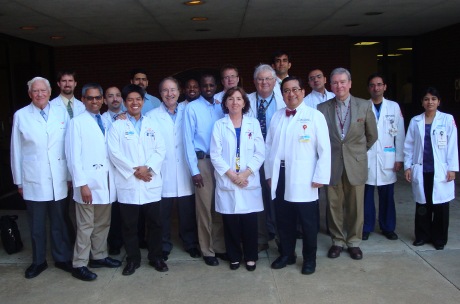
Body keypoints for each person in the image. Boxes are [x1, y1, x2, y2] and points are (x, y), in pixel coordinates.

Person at [265, 76, 331, 275]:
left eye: (295, 89)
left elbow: (325, 149)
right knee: (284, 220)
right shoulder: (277, 116)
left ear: (302, 92)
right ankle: (287, 254)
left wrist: (320, 176)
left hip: (305, 177)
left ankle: (309, 259)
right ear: (282, 94)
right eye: (286, 90)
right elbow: (269, 148)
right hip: (281, 175)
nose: (291, 94)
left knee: (308, 222)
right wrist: (270, 174)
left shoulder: (314, 116)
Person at [10, 77, 73, 279]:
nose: (39, 94)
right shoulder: (21, 115)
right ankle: (38, 261)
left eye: (43, 91)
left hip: (59, 177)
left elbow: (69, 146)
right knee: (36, 225)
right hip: (33, 179)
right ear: (30, 94)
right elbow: (16, 151)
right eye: (35, 91)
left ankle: (62, 258)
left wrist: (70, 175)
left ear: (49, 92)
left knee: (59, 222)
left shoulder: (61, 112)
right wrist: (19, 181)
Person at [317, 68, 378, 260]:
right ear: (330, 85)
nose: (339, 86)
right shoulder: (322, 108)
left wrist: (357, 152)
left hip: (355, 163)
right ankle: (337, 241)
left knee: (356, 206)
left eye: (342, 82)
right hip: (333, 164)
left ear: (350, 83)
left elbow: (372, 135)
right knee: (333, 205)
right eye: (335, 82)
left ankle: (353, 242)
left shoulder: (363, 106)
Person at [107, 84, 167, 275]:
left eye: (138, 99)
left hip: (150, 181)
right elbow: (114, 153)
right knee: (129, 226)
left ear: (143, 101)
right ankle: (133, 260)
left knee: (155, 224)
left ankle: (156, 257)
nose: (135, 103)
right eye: (130, 100)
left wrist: (147, 168)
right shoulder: (117, 126)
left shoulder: (152, 124)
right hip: (129, 183)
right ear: (125, 103)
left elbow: (161, 150)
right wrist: (135, 171)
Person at [65, 83, 121, 281]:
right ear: (83, 100)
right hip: (88, 184)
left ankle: (99, 255)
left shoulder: (105, 120)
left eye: (98, 98)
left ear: (103, 100)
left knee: (102, 224)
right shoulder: (76, 123)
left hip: (106, 182)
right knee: (86, 225)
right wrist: (82, 185)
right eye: (90, 98)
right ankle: (79, 263)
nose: (95, 101)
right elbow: (73, 157)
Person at [210, 87, 265, 271]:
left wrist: (245, 174)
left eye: (239, 99)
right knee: (231, 222)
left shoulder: (253, 124)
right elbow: (215, 155)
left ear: (244, 102)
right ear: (225, 103)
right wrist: (233, 176)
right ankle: (234, 256)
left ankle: (250, 256)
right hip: (229, 180)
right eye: (231, 99)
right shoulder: (219, 125)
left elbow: (260, 153)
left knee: (250, 222)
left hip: (248, 180)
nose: (235, 102)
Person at [146, 77, 200, 261]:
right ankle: (164, 245)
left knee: (187, 212)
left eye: (173, 90)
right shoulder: (152, 116)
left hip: (185, 168)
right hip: (163, 170)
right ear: (160, 94)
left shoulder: (189, 110)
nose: (170, 94)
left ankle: (191, 243)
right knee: (163, 214)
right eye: (165, 91)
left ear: (179, 91)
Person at [404, 87, 458, 250]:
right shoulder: (415, 121)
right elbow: (409, 145)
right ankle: (422, 236)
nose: (430, 102)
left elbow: (452, 145)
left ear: (439, 102)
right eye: (426, 99)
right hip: (421, 169)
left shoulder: (447, 120)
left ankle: (439, 239)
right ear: (422, 102)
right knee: (422, 205)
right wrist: (408, 166)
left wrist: (452, 168)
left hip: (441, 169)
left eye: (433, 99)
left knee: (441, 206)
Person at [183, 78, 226, 266]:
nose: (208, 88)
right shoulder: (191, 108)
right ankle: (207, 250)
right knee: (204, 208)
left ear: (216, 88)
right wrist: (194, 170)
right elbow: (187, 141)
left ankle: (219, 247)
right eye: (205, 85)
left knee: (219, 206)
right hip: (202, 163)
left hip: (221, 163)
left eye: (211, 85)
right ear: (200, 88)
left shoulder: (220, 107)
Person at [247, 64, 285, 252]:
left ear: (274, 81)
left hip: (275, 157)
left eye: (268, 79)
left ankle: (280, 237)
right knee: (257, 198)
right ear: (254, 82)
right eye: (260, 79)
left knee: (278, 199)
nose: (264, 82)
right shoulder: (245, 100)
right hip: (253, 158)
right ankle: (261, 237)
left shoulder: (283, 100)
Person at [363, 73, 405, 241]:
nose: (376, 88)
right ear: (369, 88)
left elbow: (400, 134)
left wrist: (399, 157)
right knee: (366, 196)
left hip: (388, 156)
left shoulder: (394, 107)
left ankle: (388, 227)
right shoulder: (363, 106)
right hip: (367, 157)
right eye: (372, 85)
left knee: (387, 196)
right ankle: (366, 226)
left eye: (379, 84)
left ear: (385, 87)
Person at [102, 86, 124, 255]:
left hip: (128, 171)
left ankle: (138, 240)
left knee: (131, 208)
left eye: (117, 96)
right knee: (114, 210)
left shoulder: (130, 117)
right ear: (104, 100)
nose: (115, 99)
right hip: (109, 171)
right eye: (110, 96)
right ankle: (115, 242)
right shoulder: (100, 120)